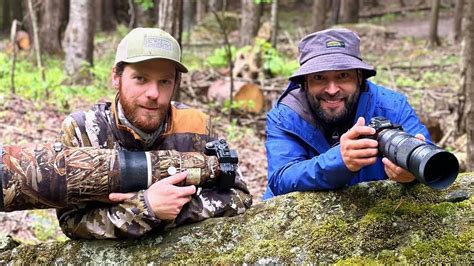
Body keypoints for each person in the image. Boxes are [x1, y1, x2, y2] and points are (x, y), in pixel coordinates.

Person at [57, 28, 252, 239]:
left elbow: (239, 196)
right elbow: (71, 220)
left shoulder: (196, 125)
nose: (153, 94)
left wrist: (176, 208)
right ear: (116, 77)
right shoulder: (85, 131)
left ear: (175, 83)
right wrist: (144, 207)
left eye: (165, 81)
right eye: (140, 78)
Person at [263, 28, 430, 199]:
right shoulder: (285, 116)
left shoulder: (392, 106)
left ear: (359, 77)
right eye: (319, 77)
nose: (332, 90)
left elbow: (429, 158)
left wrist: (411, 173)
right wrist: (339, 161)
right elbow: (280, 180)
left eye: (343, 75)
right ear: (305, 82)